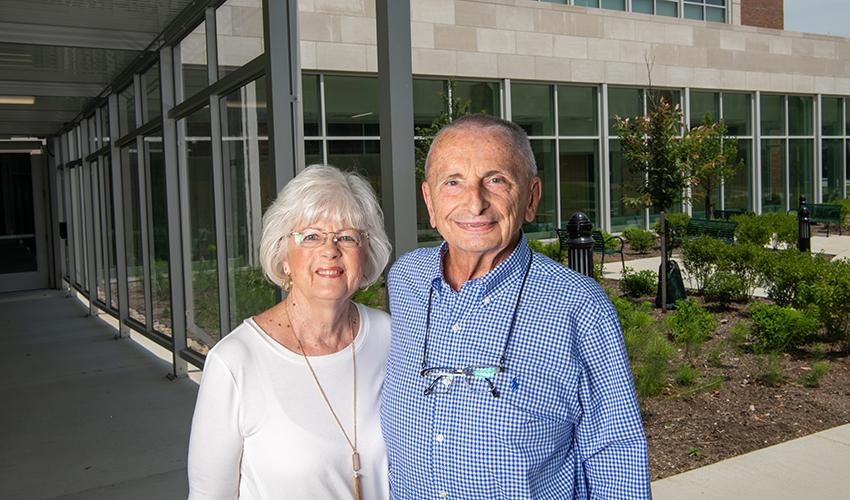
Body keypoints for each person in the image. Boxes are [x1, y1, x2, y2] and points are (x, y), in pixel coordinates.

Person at [381, 114, 650, 498]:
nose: (474, 203)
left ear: (531, 197)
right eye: (452, 182)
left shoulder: (578, 306)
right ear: (430, 200)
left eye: (496, 180)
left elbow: (616, 458)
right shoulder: (407, 279)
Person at [188, 165, 393, 500]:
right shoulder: (235, 362)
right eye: (311, 236)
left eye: (346, 236)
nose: (330, 250)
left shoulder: (390, 336)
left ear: (365, 252)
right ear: (284, 254)